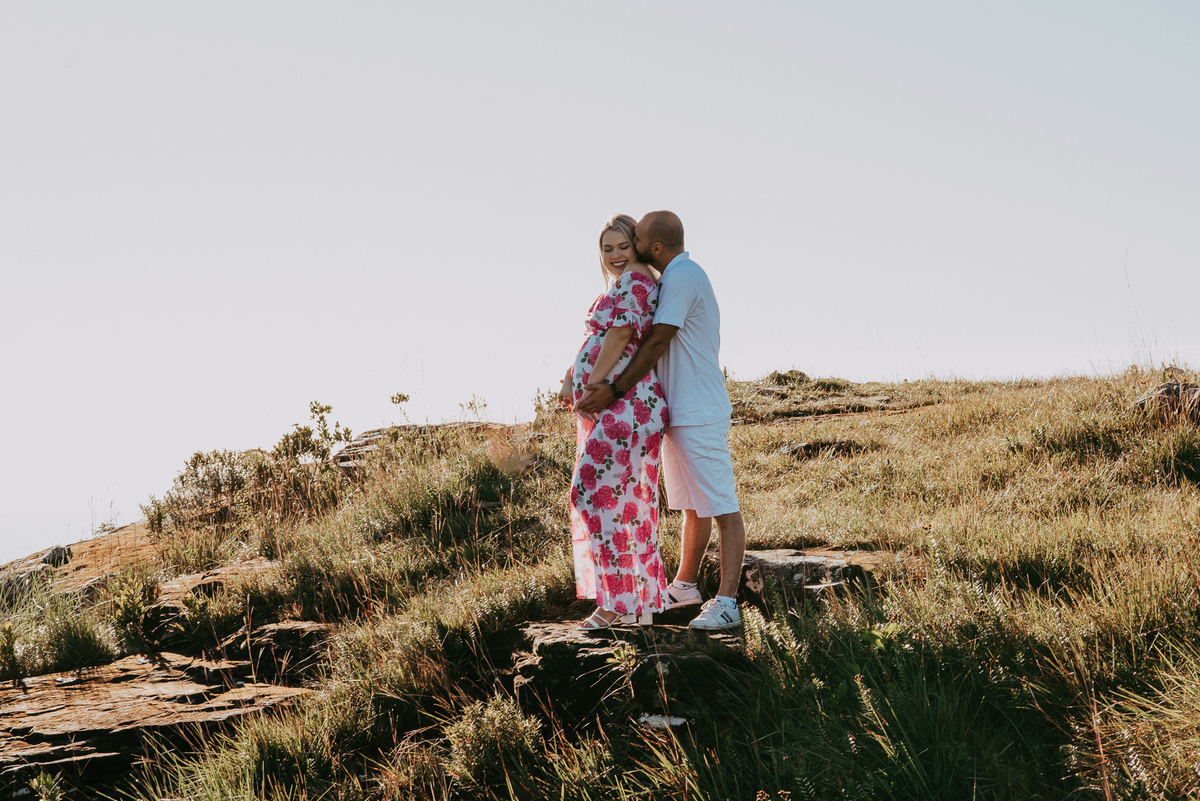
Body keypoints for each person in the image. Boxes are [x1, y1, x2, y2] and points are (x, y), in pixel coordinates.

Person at [578, 210, 745, 630]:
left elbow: (655, 342)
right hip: (678, 411)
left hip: (699, 410)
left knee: (722, 505)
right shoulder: (670, 277)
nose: (625, 252)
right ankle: (685, 585)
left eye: (631, 243)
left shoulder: (682, 277)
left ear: (652, 248)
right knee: (692, 504)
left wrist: (613, 391)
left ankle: (727, 602)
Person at [558, 214, 670, 630]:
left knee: (592, 494)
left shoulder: (638, 280)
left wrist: (595, 383)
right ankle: (637, 603)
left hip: (628, 407)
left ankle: (617, 603)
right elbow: (601, 337)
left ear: (638, 247)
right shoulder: (624, 284)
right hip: (622, 409)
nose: (616, 255)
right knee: (622, 505)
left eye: (622, 246)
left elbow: (621, 334)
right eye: (607, 249)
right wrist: (572, 376)